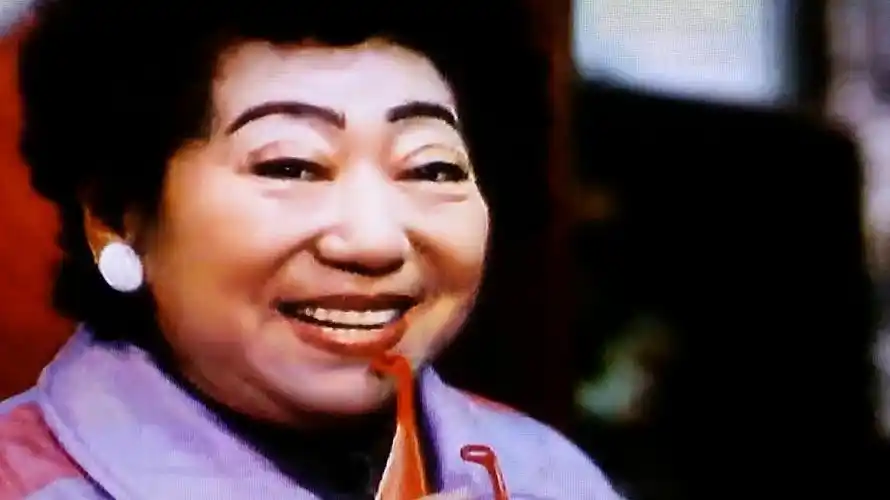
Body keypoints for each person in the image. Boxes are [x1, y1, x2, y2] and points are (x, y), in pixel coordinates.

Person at [0, 0, 622, 498]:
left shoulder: (545, 475)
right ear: (117, 217)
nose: (374, 242)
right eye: (291, 167)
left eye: (431, 169)